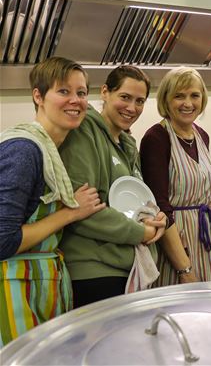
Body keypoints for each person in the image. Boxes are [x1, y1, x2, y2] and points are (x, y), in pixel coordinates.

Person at [0, 57, 105, 345]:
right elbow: (2, 240)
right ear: (38, 96)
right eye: (63, 91)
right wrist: (71, 213)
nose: (75, 101)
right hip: (11, 289)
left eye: (81, 93)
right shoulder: (24, 151)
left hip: (40, 286)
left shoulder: (51, 150)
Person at [59, 65, 167, 307]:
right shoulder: (84, 132)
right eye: (125, 97)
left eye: (140, 101)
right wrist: (142, 232)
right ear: (105, 92)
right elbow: (82, 209)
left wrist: (157, 219)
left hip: (125, 269)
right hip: (95, 273)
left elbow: (141, 202)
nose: (132, 108)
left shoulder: (126, 143)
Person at [140, 67, 211, 285]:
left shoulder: (201, 136)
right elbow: (159, 206)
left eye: (194, 95)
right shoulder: (156, 138)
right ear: (166, 100)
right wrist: (184, 269)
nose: (188, 103)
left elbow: (200, 197)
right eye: (179, 96)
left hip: (206, 240)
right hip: (176, 245)